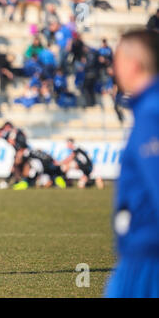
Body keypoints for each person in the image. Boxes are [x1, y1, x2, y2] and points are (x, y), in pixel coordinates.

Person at [105, 29, 159, 298]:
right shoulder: (147, 108)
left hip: (147, 261)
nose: (113, 69)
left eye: (116, 60)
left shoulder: (151, 114)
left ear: (133, 64)